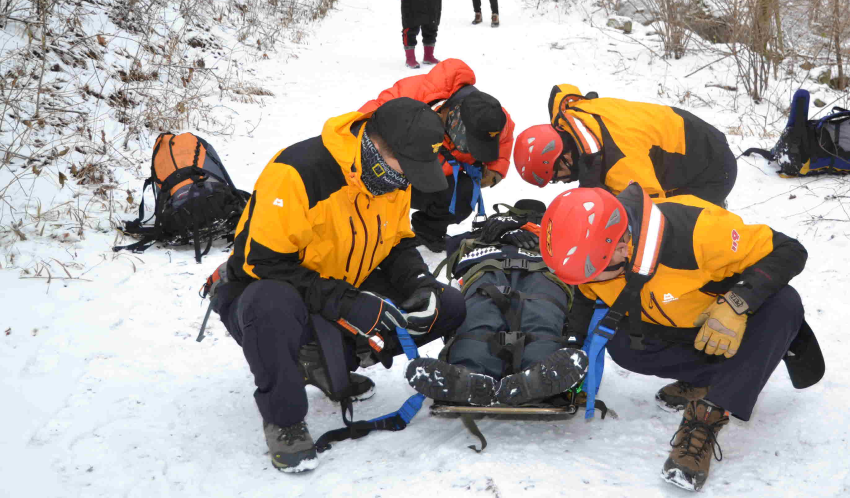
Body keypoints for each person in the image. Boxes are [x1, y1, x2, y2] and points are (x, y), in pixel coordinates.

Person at [208, 98, 467, 473]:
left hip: (340, 282)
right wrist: (348, 303)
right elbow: (262, 264)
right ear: (380, 148)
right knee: (271, 304)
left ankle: (327, 362)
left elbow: (397, 242)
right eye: (410, 168)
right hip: (265, 291)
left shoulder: (391, 177)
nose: (412, 179)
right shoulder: (297, 174)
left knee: (448, 305)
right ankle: (284, 420)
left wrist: (419, 283)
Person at [540, 184, 814, 492]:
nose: (588, 282)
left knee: (785, 303)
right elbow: (585, 297)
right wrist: (571, 347)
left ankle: (705, 418)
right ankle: (711, 378)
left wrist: (737, 304)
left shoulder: (699, 231)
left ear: (621, 249)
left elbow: (791, 250)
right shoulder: (598, 254)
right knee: (622, 344)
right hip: (678, 323)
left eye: (592, 274)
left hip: (731, 324)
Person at [404, 200, 589, 407]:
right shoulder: (491, 228)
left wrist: (534, 232)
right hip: (493, 267)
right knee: (519, 314)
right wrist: (493, 234)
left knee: (492, 316)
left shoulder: (559, 233)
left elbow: (588, 246)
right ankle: (473, 377)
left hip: (535, 271)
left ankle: (531, 375)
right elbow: (455, 248)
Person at [359, 58, 514, 253]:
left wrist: (495, 169)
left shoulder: (492, 117)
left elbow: (505, 139)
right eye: (471, 144)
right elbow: (361, 128)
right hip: (393, 172)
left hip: (434, 175)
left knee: (465, 193)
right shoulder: (408, 99)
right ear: (452, 117)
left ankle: (427, 231)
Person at [513, 84, 738, 207]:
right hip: (690, 134)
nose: (561, 182)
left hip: (713, 168)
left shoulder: (619, 165)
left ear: (564, 158)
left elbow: (652, 216)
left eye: (555, 177)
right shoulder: (571, 114)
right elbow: (561, 90)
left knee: (681, 234)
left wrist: (600, 193)